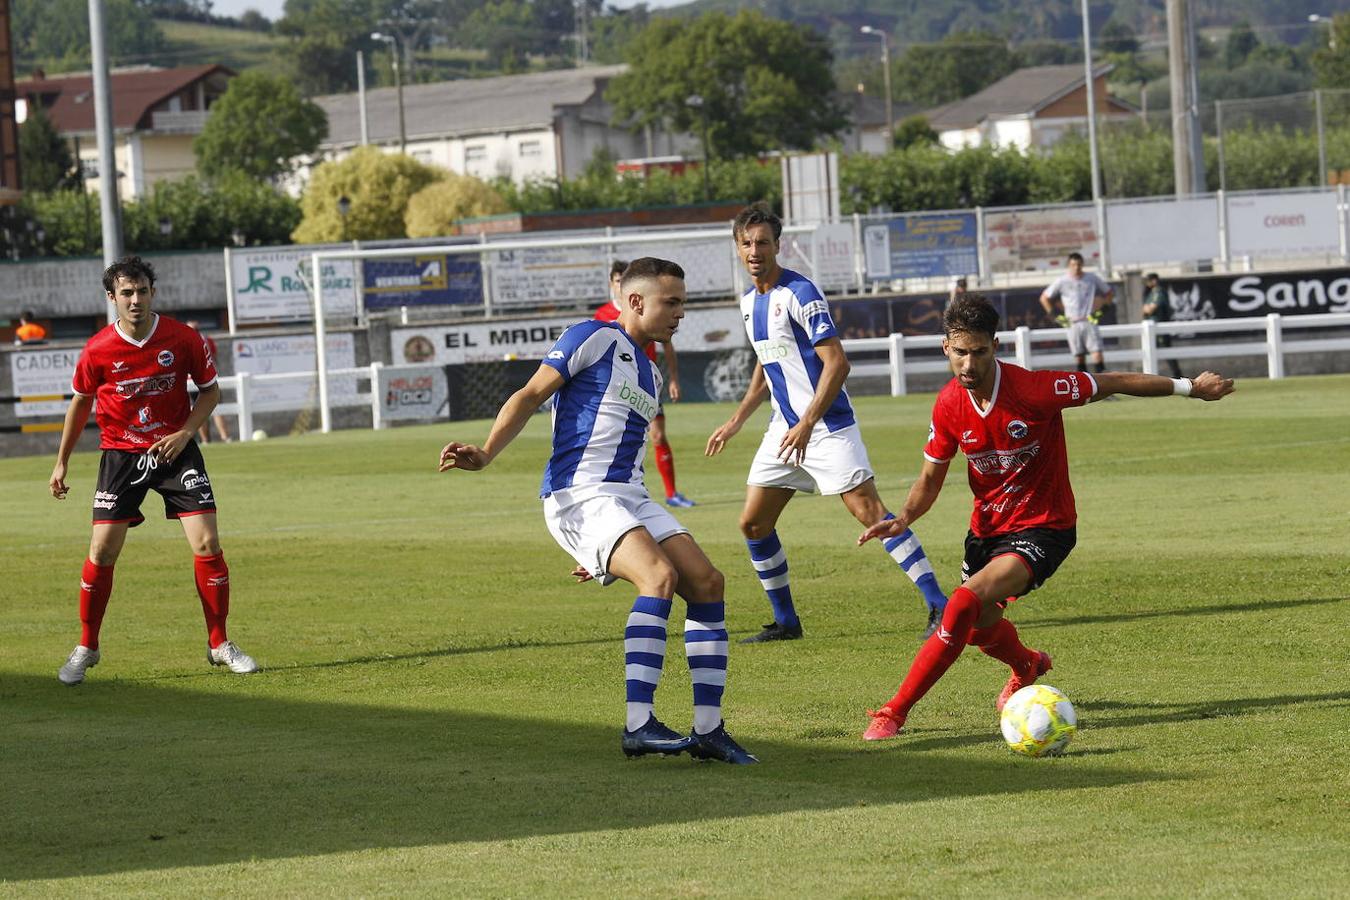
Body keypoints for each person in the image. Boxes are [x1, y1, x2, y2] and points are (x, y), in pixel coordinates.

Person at [856, 293, 1234, 741]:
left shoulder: (1035, 390)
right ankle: (1027, 664)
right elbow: (929, 479)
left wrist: (1189, 387)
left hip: (1045, 526)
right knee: (977, 629)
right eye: (960, 352)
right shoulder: (948, 405)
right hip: (987, 532)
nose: (969, 364)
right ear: (946, 348)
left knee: (958, 605)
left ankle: (893, 712)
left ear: (994, 346)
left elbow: (1110, 381)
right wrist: (903, 518)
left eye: (979, 352)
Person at [439, 257, 757, 764]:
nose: (680, 313)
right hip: (580, 494)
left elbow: (625, 451)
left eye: (683, 303)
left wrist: (610, 544)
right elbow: (529, 394)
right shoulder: (592, 337)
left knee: (707, 581)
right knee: (658, 576)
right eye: (670, 302)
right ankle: (638, 724)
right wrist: (486, 453)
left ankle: (708, 730)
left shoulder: (651, 372)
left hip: (628, 496)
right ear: (636, 301)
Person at [706, 203, 949, 643]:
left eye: (762, 242)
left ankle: (940, 604)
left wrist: (808, 421)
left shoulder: (800, 293)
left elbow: (837, 364)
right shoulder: (748, 302)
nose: (754, 250)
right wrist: (736, 420)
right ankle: (787, 623)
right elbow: (766, 366)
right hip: (785, 430)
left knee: (869, 512)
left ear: (778, 246)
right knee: (753, 524)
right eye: (746, 243)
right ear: (737, 249)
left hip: (827, 426)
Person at [48, 256, 259, 685]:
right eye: (126, 293)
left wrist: (185, 433)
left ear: (152, 293)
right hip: (121, 457)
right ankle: (87, 646)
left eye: (142, 291)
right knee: (102, 551)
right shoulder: (97, 349)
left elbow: (211, 391)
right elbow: (81, 403)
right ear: (112, 298)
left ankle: (219, 643)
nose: (135, 299)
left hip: (175, 452)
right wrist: (62, 460)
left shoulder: (182, 338)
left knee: (207, 543)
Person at [595, 260, 695, 508]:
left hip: (647, 384)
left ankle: (670, 493)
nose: (679, 313)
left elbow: (667, 345)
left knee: (657, 436)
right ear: (612, 284)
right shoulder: (600, 319)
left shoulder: (655, 313)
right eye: (616, 281)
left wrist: (673, 378)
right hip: (617, 387)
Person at [1039, 252, 1114, 373]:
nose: (1076, 267)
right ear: (1069, 265)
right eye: (1073, 264)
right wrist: (1056, 317)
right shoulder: (1062, 281)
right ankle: (1083, 389)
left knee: (1097, 353)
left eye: (1079, 264)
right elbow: (1044, 298)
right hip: (1072, 323)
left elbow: (1109, 293)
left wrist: (1100, 312)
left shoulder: (1091, 278)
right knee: (1079, 357)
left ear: (1082, 264)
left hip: (1089, 320)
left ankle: (1103, 389)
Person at [185, 321, 232, 443]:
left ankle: (206, 440)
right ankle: (225, 437)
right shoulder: (207, 340)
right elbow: (214, 358)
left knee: (198, 411)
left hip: (191, 381)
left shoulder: (184, 340)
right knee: (216, 408)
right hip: (207, 378)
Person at [1142, 272, 1183, 378]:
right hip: (1153, 328)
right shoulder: (1151, 293)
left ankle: (1177, 375)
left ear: (1154, 280)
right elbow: (1143, 309)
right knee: (1148, 351)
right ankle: (1151, 375)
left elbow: (1150, 309)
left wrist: (1146, 309)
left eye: (1148, 280)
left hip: (1159, 327)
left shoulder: (1159, 292)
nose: (1147, 283)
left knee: (1166, 351)